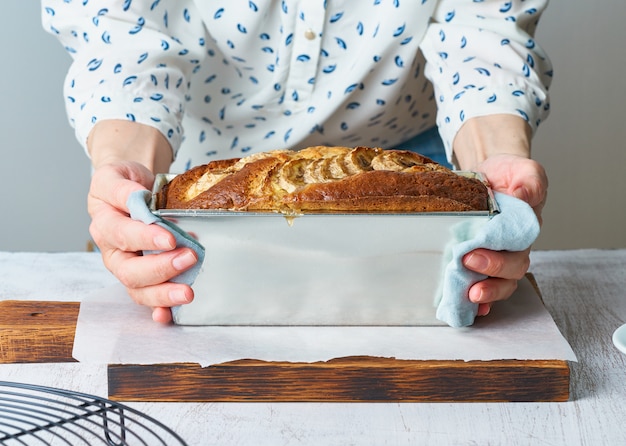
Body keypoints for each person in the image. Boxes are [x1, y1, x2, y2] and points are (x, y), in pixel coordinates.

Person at [42, 0, 552, 323]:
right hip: (202, 191)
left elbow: (483, 26)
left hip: (414, 177)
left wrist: (494, 167)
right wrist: (130, 180)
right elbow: (123, 34)